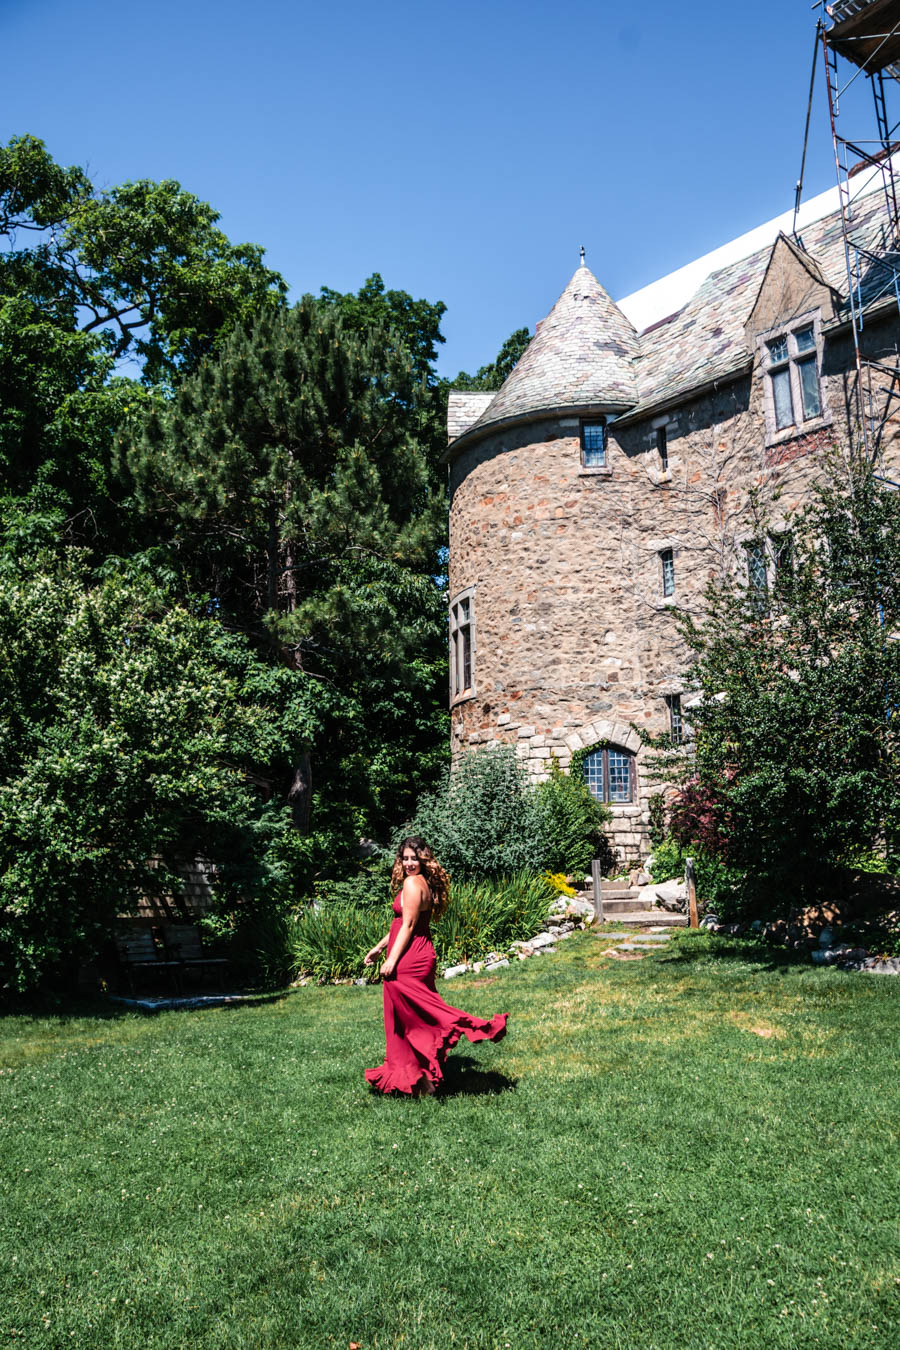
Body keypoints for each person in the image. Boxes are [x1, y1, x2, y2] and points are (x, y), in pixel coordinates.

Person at [364, 837, 507, 1096]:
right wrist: (380, 947)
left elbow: (407, 926)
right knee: (414, 1015)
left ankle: (466, 1032)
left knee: (408, 1019)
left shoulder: (411, 884)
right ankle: (423, 1081)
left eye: (414, 858)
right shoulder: (424, 884)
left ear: (423, 859)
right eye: (405, 858)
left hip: (409, 957)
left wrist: (391, 960)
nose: (409, 863)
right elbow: (404, 923)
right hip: (419, 953)